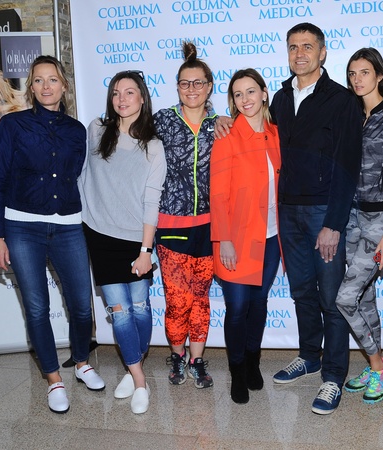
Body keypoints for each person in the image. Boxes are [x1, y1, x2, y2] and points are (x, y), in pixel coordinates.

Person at [0, 55, 104, 414]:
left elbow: (81, 177)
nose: (46, 86)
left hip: (68, 226)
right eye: (38, 80)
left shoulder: (77, 131)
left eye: (52, 79)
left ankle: (81, 362)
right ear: (31, 87)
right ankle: (54, 380)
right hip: (22, 227)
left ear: (63, 86)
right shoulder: (13, 125)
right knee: (37, 307)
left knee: (81, 305)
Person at [270, 22, 362, 415]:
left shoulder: (341, 100)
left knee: (331, 298)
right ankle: (309, 355)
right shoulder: (279, 98)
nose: (300, 54)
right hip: (287, 211)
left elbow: (348, 166)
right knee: (302, 291)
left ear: (323, 53)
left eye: (308, 46)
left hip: (324, 212)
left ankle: (333, 375)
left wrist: (334, 224)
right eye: (293, 47)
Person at [79, 70, 167, 414]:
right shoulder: (96, 130)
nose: (122, 99)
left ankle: (132, 367)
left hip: (135, 237)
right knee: (120, 312)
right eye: (116, 92)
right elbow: (80, 174)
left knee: (140, 308)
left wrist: (146, 251)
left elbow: (151, 201)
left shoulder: (153, 146)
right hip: (99, 233)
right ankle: (140, 380)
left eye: (130, 92)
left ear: (142, 98)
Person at [335, 48, 383, 405]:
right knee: (364, 295)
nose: (357, 79)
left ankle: (379, 366)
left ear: (379, 75)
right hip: (351, 216)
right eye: (352, 73)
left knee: (345, 297)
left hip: (380, 219)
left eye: (364, 72)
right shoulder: (351, 114)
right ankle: (373, 365)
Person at [210, 69, 281, 404]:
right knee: (237, 307)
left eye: (251, 91)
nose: (245, 99)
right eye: (238, 94)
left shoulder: (277, 133)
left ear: (264, 93)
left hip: (272, 237)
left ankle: (253, 360)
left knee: (259, 302)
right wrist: (223, 239)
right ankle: (237, 370)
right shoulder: (227, 135)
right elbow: (218, 193)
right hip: (236, 238)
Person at [153, 41, 217, 389]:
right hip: (171, 225)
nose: (191, 89)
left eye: (198, 83)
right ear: (177, 87)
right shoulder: (162, 121)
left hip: (210, 226)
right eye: (184, 83)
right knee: (178, 300)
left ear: (209, 86)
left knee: (201, 299)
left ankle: (197, 359)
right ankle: (177, 355)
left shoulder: (221, 125)